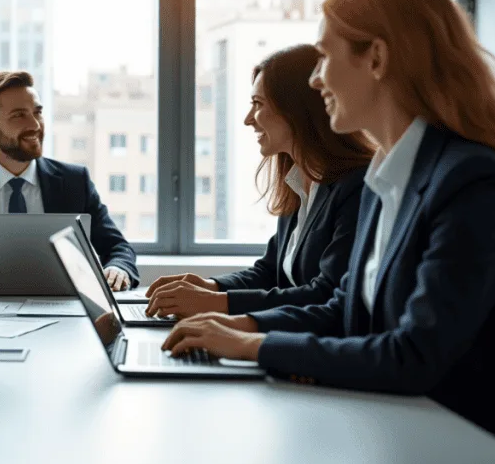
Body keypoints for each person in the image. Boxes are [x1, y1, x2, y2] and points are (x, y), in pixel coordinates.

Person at [159, 0, 495, 449]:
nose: (315, 80)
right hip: (393, 431)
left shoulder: (468, 180)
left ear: (375, 58)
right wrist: (235, 324)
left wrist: (254, 344)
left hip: (466, 452)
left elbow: (415, 354)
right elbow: (341, 308)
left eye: (325, 58)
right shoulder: (385, 179)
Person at [145, 45, 373, 318]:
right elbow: (269, 272)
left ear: (296, 109)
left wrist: (214, 304)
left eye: (258, 104)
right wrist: (209, 286)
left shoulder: (356, 187)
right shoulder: (299, 184)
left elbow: (325, 294)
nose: (248, 119)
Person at [0, 70, 139, 292]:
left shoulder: (74, 182)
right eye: (19, 115)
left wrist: (118, 268)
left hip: (63, 313)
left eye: (37, 112)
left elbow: (118, 248)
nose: (35, 125)